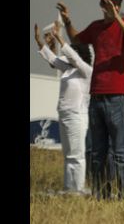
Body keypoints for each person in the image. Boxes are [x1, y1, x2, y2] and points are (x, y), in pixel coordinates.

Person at [57, 0, 124, 200]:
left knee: (121, 150)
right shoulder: (95, 27)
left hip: (116, 97)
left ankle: (123, 197)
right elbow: (77, 39)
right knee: (97, 152)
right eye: (112, 2)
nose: (116, 5)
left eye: (119, 2)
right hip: (96, 96)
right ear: (102, 5)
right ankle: (101, 195)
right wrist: (67, 21)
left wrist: (118, 18)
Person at [34, 21, 93, 193]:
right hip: (65, 115)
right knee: (68, 154)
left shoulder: (87, 71)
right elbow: (52, 59)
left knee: (77, 154)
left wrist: (60, 37)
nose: (68, 57)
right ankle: (69, 188)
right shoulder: (69, 70)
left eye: (71, 53)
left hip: (77, 116)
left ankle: (78, 188)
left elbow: (74, 58)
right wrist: (39, 41)